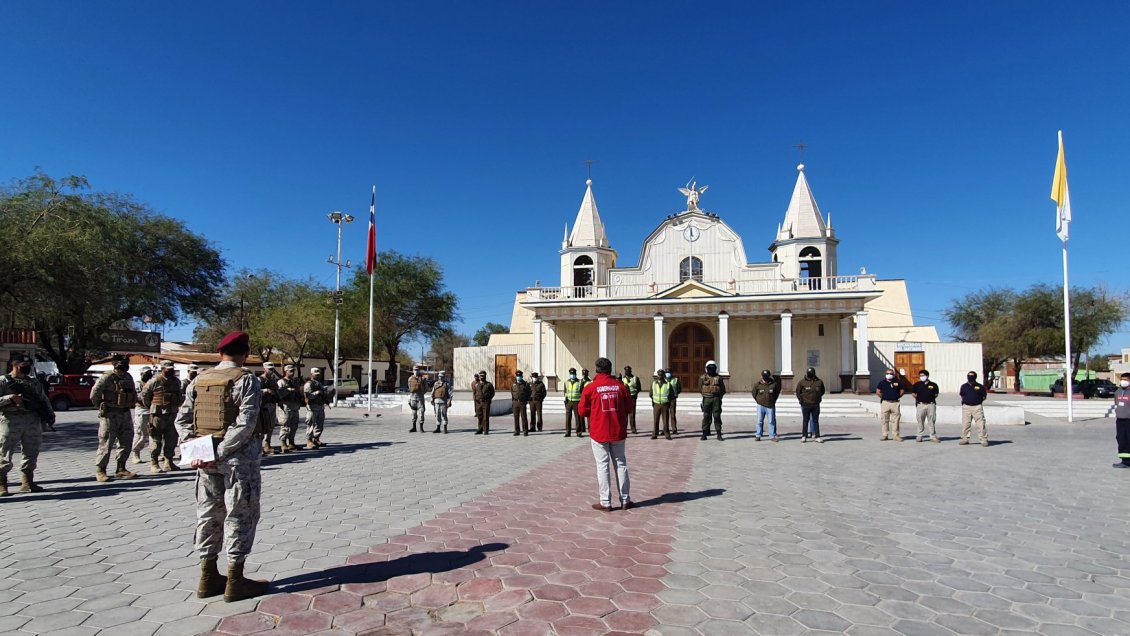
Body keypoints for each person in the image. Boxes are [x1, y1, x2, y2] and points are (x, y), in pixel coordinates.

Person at [174, 330, 269, 603]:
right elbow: (246, 423)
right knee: (240, 515)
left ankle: (207, 577)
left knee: (208, 514)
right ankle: (235, 581)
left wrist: (196, 449)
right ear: (246, 354)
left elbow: (182, 420)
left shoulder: (199, 380)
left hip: (204, 459)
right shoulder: (246, 380)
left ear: (219, 354)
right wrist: (222, 451)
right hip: (237, 462)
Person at [577, 357, 632, 512]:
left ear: (596, 370)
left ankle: (605, 501)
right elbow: (629, 408)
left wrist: (594, 411)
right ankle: (625, 499)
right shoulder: (620, 386)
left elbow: (582, 410)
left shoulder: (591, 387)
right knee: (621, 465)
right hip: (618, 431)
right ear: (610, 369)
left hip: (599, 432)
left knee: (603, 466)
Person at [0, 353, 54, 495]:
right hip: (10, 419)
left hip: (32, 420)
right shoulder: (4, 381)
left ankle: (27, 481)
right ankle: (1, 483)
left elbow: (43, 399)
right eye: (23, 366)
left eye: (28, 366)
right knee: (4, 453)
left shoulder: (34, 382)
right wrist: (9, 398)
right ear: (14, 365)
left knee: (31, 451)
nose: (27, 369)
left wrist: (50, 415)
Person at [90, 354, 139, 482]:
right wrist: (101, 406)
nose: (125, 364)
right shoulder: (107, 377)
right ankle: (101, 470)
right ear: (115, 364)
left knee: (126, 441)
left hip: (125, 413)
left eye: (126, 362)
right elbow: (94, 394)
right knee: (106, 443)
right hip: (110, 414)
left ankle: (121, 468)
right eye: (122, 362)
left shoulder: (128, 377)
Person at [141, 360, 184, 473]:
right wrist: (151, 407)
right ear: (162, 369)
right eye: (167, 369)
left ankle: (168, 462)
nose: (170, 371)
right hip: (157, 414)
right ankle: (154, 462)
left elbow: (179, 396)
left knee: (171, 439)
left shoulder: (176, 381)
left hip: (172, 414)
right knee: (156, 439)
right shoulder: (154, 381)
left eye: (171, 369)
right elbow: (145, 395)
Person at [131, 366, 156, 465]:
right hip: (142, 410)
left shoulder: (154, 382)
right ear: (141, 374)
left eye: (150, 372)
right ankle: (136, 453)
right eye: (146, 373)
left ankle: (154, 454)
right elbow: (138, 397)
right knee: (140, 433)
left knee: (154, 433)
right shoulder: (138, 384)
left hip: (153, 410)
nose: (149, 374)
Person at [257, 363, 284, 454]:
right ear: (264, 369)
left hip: (272, 405)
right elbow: (255, 392)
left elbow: (276, 391)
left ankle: (267, 444)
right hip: (263, 406)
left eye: (272, 369)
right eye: (269, 369)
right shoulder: (259, 379)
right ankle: (259, 447)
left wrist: (279, 400)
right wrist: (265, 391)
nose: (271, 371)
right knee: (263, 426)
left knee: (271, 425)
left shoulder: (273, 380)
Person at [303, 369, 332, 448]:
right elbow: (308, 396)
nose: (317, 376)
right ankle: (309, 440)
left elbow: (323, 394)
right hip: (312, 406)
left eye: (318, 374)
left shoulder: (319, 384)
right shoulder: (308, 384)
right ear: (311, 374)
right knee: (311, 423)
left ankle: (316, 439)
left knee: (320, 424)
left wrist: (327, 398)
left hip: (320, 406)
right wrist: (317, 392)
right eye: (315, 374)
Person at [959, 371, 989, 447]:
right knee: (966, 424)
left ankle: (983, 440)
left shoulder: (980, 386)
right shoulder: (964, 386)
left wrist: (977, 401)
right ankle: (965, 439)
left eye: (972, 376)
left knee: (980, 424)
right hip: (966, 407)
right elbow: (962, 395)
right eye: (969, 375)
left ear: (975, 377)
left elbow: (984, 397)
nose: (970, 377)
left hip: (977, 407)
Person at [795, 367, 825, 442]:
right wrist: (801, 400)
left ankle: (817, 436)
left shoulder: (819, 382)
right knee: (805, 420)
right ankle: (804, 436)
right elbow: (798, 392)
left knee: (815, 421)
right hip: (805, 404)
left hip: (815, 404)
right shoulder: (802, 382)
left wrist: (817, 398)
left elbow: (822, 391)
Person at [911, 370, 941, 443]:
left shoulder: (933, 385)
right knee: (920, 420)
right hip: (921, 405)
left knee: (931, 421)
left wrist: (929, 398)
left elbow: (936, 394)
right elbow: (913, 394)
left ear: (927, 376)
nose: (921, 377)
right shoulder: (917, 384)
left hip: (931, 405)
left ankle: (933, 436)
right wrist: (920, 399)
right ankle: (919, 436)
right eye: (920, 376)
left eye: (923, 375)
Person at [278, 365, 303, 452]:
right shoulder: (281, 382)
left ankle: (291, 442)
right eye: (290, 371)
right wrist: (288, 390)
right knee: (285, 425)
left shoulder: (294, 382)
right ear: (286, 371)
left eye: (293, 371)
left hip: (294, 405)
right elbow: (279, 395)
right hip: (286, 405)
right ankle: (283, 443)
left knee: (294, 425)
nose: (292, 372)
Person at [700, 360, 726, 440]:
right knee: (706, 416)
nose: (711, 369)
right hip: (707, 398)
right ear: (706, 369)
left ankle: (719, 434)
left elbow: (723, 389)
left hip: (716, 399)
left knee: (717, 416)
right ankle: (704, 433)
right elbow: (700, 388)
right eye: (709, 368)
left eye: (713, 368)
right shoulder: (702, 377)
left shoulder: (719, 378)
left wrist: (718, 397)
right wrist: (705, 395)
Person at [876, 368, 905, 441]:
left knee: (896, 420)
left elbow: (902, 390)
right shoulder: (882, 382)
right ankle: (885, 435)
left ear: (894, 374)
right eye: (887, 373)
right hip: (885, 403)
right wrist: (884, 397)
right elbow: (878, 391)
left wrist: (897, 396)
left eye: (891, 374)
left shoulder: (898, 382)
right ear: (885, 374)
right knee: (885, 420)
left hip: (895, 403)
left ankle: (896, 435)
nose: (889, 375)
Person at [752, 369, 781, 442]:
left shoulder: (773, 384)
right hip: (760, 405)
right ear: (761, 376)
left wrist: (773, 400)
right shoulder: (757, 384)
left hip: (770, 405)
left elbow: (776, 393)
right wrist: (758, 400)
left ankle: (772, 435)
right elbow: (754, 393)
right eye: (764, 376)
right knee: (759, 421)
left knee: (771, 421)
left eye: (767, 376)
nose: (765, 378)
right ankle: (758, 435)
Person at [1113, 372, 1130, 469]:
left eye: (1126, 380)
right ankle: (1125, 461)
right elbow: (1116, 402)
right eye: (1122, 379)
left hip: (1129, 420)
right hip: (1120, 420)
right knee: (1121, 439)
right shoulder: (1118, 391)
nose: (1123, 381)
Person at [650, 369, 672, 440]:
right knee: (656, 420)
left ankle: (667, 434)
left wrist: (668, 401)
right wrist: (654, 400)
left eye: (661, 375)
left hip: (665, 404)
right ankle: (655, 434)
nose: (660, 376)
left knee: (665, 420)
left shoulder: (668, 384)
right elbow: (651, 394)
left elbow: (671, 394)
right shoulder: (654, 383)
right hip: (656, 404)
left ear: (663, 375)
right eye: (659, 375)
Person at [563, 367, 586, 437]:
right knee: (568, 418)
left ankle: (578, 432)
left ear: (575, 374)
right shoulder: (566, 382)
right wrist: (566, 401)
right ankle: (567, 432)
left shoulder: (580, 382)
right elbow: (565, 392)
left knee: (578, 418)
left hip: (577, 402)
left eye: (573, 374)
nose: (572, 375)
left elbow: (582, 393)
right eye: (571, 374)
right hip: (569, 402)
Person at [510, 370, 531, 435]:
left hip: (522, 402)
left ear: (522, 376)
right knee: (516, 417)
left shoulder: (525, 384)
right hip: (515, 402)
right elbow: (512, 392)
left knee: (523, 417)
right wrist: (513, 401)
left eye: (520, 376)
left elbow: (529, 393)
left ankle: (525, 431)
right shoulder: (513, 384)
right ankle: (517, 431)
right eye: (517, 376)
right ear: (516, 376)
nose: (518, 377)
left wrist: (526, 400)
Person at [622, 366, 641, 434]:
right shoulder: (622, 379)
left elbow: (639, 388)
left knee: (632, 414)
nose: (628, 372)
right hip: (624, 398)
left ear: (631, 371)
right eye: (626, 370)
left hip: (632, 397)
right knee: (624, 414)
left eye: (629, 370)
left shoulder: (635, 378)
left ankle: (633, 429)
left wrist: (635, 394)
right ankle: (624, 429)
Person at [475, 370, 494, 434]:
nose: (482, 377)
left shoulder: (489, 384)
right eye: (481, 376)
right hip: (478, 402)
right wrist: (476, 399)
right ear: (479, 376)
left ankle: (486, 430)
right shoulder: (476, 384)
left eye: (483, 376)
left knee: (485, 417)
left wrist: (488, 399)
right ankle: (480, 429)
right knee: (479, 416)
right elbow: (474, 392)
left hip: (486, 402)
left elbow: (492, 393)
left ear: (485, 376)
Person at [665, 368, 681, 435]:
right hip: (665, 399)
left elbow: (679, 389)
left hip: (672, 399)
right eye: (666, 372)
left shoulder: (675, 380)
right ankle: (665, 429)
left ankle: (674, 429)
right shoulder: (663, 380)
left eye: (669, 372)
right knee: (665, 415)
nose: (668, 374)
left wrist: (675, 394)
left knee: (672, 415)